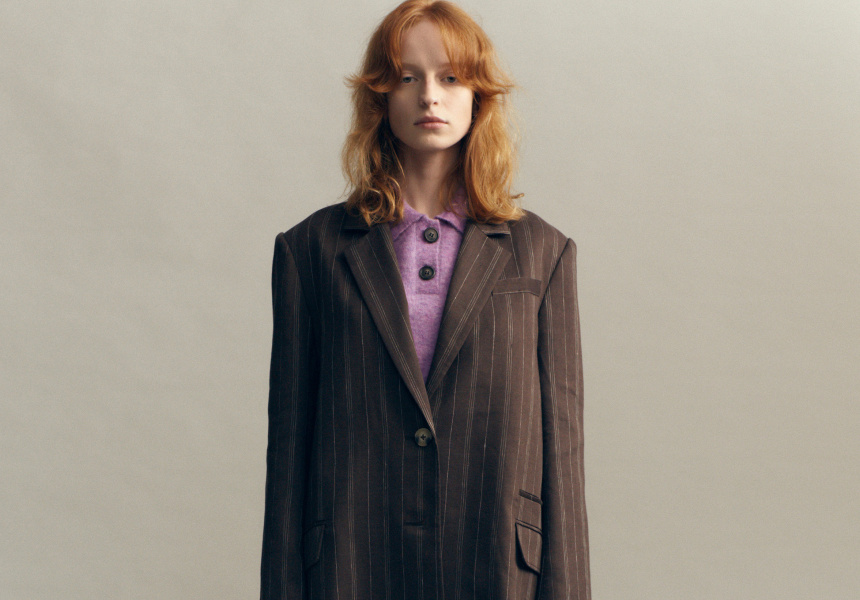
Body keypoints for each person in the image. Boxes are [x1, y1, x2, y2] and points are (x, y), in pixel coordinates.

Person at [260, 1, 590, 598]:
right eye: (407, 77)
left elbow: (562, 453)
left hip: (494, 560)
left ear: (479, 96)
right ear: (380, 96)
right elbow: (288, 452)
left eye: (451, 77)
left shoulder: (543, 253)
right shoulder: (310, 251)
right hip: (353, 562)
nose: (429, 96)